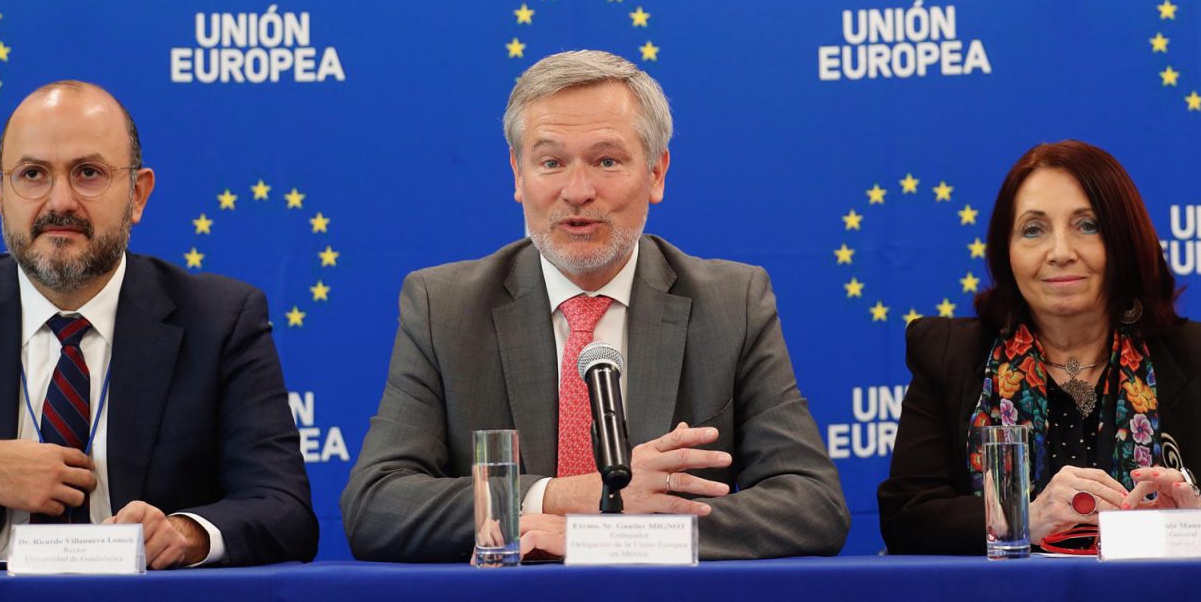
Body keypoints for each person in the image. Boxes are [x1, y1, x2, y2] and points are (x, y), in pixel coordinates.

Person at [341, 50, 848, 561]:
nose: (577, 192)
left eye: (607, 161)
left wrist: (610, 540)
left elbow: (813, 505)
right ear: (518, 175)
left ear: (655, 172)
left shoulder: (731, 304)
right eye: (551, 162)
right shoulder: (444, 307)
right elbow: (376, 504)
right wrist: (567, 497)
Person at [0, 81, 317, 569]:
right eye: (33, 174)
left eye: (88, 172)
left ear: (137, 195)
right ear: (1, 197)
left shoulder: (221, 319)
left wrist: (187, 533)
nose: (60, 201)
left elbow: (285, 509)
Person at [878, 140, 1201, 553]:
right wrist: (1020, 519)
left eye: (1088, 226)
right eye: (1033, 229)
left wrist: (1196, 515)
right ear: (1005, 250)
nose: (1060, 252)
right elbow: (906, 516)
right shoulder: (949, 353)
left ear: (1124, 241)